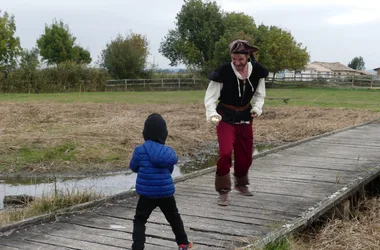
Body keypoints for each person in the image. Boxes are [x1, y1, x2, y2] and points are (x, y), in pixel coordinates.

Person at [204, 40, 269, 206]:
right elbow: (210, 97)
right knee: (225, 153)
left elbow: (260, 95)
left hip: (246, 117)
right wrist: (212, 113)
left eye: (240, 59)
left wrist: (257, 108)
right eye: (234, 59)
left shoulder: (257, 72)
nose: (237, 63)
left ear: (248, 56)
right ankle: (223, 191)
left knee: (246, 156)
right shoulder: (224, 72)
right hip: (225, 116)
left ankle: (241, 183)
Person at [130, 113, 193, 250]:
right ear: (164, 134)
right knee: (174, 218)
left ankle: (138, 247)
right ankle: (183, 243)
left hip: (147, 194)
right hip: (165, 193)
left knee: (140, 220)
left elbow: (133, 167)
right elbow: (169, 169)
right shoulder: (168, 151)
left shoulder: (140, 150)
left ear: (145, 133)